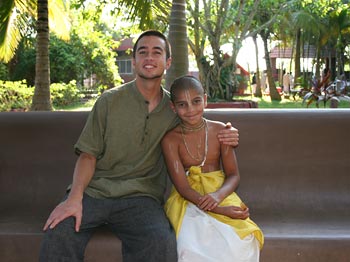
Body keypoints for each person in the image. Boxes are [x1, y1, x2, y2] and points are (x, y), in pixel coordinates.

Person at [39, 30, 239, 262]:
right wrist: (74, 198)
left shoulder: (175, 109)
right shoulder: (108, 101)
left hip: (141, 198)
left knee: (160, 242)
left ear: (168, 61)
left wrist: (228, 132)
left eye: (157, 52)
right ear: (133, 61)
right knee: (58, 233)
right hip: (94, 192)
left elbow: (200, 121)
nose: (149, 57)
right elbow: (87, 155)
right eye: (142, 52)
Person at [162, 75, 264, 262]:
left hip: (220, 191)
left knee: (244, 241)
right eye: (182, 104)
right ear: (173, 107)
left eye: (196, 101)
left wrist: (217, 197)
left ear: (205, 100)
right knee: (188, 245)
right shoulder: (170, 140)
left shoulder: (220, 131)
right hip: (188, 199)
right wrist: (219, 210)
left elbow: (233, 175)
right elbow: (183, 188)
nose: (191, 109)